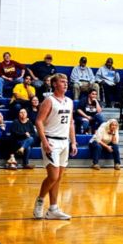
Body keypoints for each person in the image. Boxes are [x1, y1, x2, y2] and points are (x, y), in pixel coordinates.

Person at [33, 73, 78, 220]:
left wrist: (74, 141)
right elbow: (39, 122)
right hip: (51, 141)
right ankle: (40, 201)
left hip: (64, 141)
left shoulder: (70, 101)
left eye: (66, 82)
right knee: (53, 176)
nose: (65, 84)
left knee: (58, 178)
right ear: (54, 84)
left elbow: (71, 122)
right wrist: (44, 141)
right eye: (62, 81)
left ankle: (53, 209)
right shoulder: (49, 101)